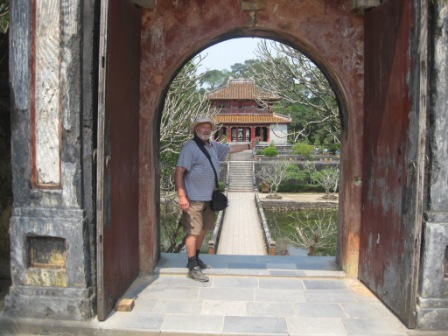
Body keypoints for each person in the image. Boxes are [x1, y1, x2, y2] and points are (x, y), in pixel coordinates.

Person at [175, 116, 258, 282]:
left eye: (208, 128)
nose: (206, 130)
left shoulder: (212, 146)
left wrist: (249, 145)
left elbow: (230, 148)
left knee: (203, 229)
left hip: (208, 198)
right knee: (192, 231)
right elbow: (179, 171)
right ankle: (192, 267)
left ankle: (196, 258)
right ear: (196, 129)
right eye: (202, 127)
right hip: (193, 198)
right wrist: (182, 195)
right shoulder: (190, 147)